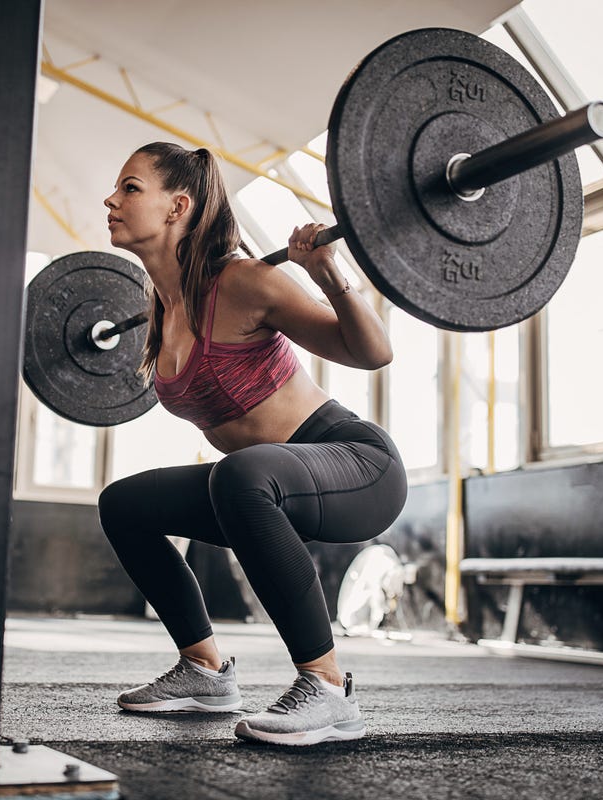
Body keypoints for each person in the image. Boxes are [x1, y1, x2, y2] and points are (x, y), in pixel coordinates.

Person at [97, 141, 408, 746]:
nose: (111, 199)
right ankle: (203, 669)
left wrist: (326, 275)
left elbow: (373, 353)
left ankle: (327, 689)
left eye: (130, 188)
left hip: (358, 466)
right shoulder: (162, 309)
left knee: (238, 475)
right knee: (125, 505)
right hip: (259, 486)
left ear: (176, 206)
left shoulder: (243, 282)